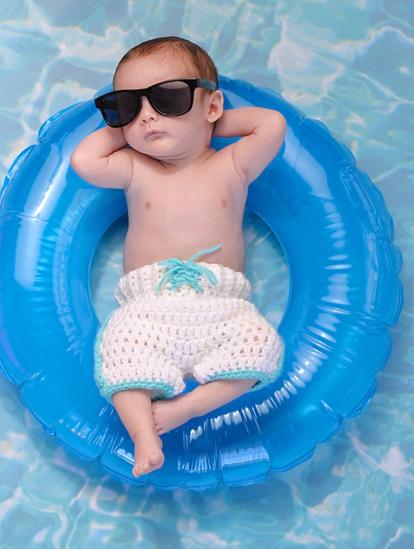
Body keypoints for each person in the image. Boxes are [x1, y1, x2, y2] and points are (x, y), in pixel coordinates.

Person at [70, 36, 285, 477]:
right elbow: (84, 159)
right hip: (148, 305)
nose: (148, 115)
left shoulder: (233, 166)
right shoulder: (136, 168)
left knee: (261, 350)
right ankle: (144, 435)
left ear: (211, 106)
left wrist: (211, 123)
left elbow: (272, 124)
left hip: (221, 304)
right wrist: (133, 128)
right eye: (127, 106)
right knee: (119, 354)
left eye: (168, 98)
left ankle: (183, 410)